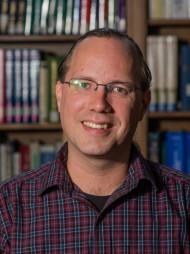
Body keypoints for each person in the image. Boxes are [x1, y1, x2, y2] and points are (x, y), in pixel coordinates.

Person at [0, 28, 190, 253]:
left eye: (119, 89)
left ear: (143, 104)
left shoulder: (185, 203)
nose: (99, 104)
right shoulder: (7, 208)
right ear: (59, 96)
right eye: (84, 84)